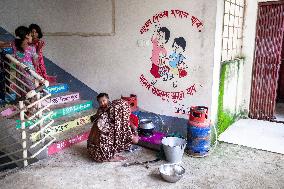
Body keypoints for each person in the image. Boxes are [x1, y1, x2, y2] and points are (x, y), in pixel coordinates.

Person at [87, 93, 139, 162]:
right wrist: (94, 117)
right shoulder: (101, 110)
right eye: (100, 102)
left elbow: (123, 120)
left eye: (104, 100)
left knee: (117, 135)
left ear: (108, 99)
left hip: (106, 129)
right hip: (101, 131)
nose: (102, 103)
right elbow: (99, 118)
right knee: (108, 138)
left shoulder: (114, 108)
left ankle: (111, 154)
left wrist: (133, 129)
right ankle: (109, 156)